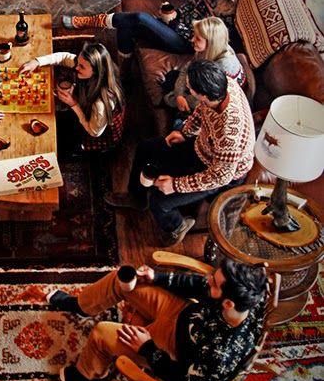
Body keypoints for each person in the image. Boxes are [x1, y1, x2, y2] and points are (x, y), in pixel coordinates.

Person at [49, 258, 268, 381]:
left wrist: (147, 348)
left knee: (100, 333)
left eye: (214, 282)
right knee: (123, 280)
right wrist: (158, 277)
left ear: (228, 304)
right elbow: (198, 284)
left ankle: (87, 375)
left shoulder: (221, 353)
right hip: (183, 313)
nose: (207, 279)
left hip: (173, 349)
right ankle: (81, 306)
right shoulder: (245, 297)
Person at [105, 59, 255, 245]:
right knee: (146, 148)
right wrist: (184, 132)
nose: (187, 89)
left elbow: (220, 177)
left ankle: (176, 226)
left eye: (189, 88)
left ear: (203, 94)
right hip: (204, 147)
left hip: (220, 171)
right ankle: (136, 198)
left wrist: (175, 185)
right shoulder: (223, 85)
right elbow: (202, 111)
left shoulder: (229, 134)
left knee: (160, 201)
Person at [62, 0, 258, 62]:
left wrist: (172, 22)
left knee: (138, 17)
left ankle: (86, 21)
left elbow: (203, 37)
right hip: (175, 24)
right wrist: (174, 14)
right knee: (127, 23)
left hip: (187, 41)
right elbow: (191, 5)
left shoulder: (231, 15)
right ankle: (124, 66)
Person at [19, 40, 125, 147]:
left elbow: (94, 132)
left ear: (97, 72)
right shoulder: (87, 65)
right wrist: (37, 62)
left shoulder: (101, 103)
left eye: (82, 67)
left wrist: (73, 104)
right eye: (78, 63)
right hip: (87, 109)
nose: (76, 67)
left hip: (98, 134)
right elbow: (64, 57)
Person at [163, 16, 245, 119]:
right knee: (171, 76)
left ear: (211, 43)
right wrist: (179, 94)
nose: (192, 39)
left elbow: (204, 99)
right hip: (200, 88)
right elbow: (187, 69)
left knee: (176, 116)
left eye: (198, 38)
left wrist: (175, 99)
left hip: (212, 104)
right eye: (194, 35)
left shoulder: (223, 66)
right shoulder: (206, 51)